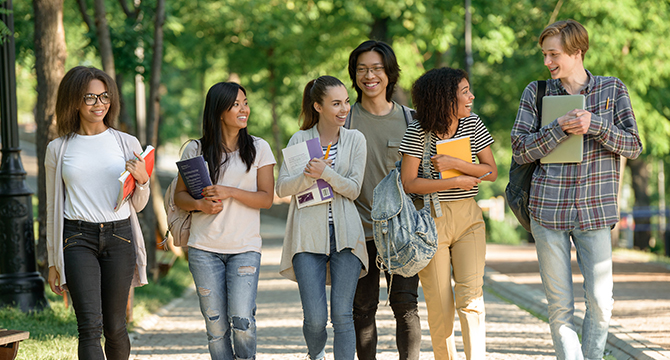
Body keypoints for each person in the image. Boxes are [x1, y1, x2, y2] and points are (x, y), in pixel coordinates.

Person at [510, 19, 642, 360]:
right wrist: (558, 129)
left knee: (600, 303)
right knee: (559, 307)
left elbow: (634, 146)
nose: (547, 62)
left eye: (553, 54)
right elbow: (520, 149)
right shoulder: (535, 92)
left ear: (577, 52)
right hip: (547, 211)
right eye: (544, 54)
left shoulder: (612, 90)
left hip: (596, 212)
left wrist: (595, 125)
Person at [46, 66, 150, 359]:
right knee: (89, 327)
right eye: (90, 97)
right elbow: (52, 207)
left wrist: (142, 179)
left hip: (120, 237)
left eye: (104, 96)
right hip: (77, 237)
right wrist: (54, 260)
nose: (99, 104)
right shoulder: (58, 149)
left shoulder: (126, 144)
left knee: (116, 326)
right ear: (75, 101)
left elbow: (138, 204)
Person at [399, 67, 497, 360]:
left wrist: (457, 163)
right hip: (431, 220)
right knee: (440, 304)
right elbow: (408, 182)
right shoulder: (418, 131)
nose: (471, 96)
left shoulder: (473, 124)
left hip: (469, 218)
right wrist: (452, 181)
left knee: (471, 298)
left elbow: (490, 171)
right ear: (444, 98)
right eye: (464, 91)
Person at [174, 82, 276, 359]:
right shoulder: (195, 150)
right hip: (204, 249)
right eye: (236, 105)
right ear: (219, 111)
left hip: (244, 248)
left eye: (245, 102)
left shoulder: (259, 148)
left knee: (242, 321)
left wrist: (230, 192)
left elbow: (266, 198)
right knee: (216, 327)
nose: (244, 109)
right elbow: (178, 197)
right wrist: (199, 205)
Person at [276, 75, 368, 360]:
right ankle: (315, 354)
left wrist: (326, 173)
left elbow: (353, 189)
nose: (344, 109)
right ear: (318, 106)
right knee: (315, 319)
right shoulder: (299, 139)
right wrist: (306, 176)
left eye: (346, 102)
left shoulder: (355, 140)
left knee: (342, 315)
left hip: (346, 236)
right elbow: (281, 188)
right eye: (336, 103)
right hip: (307, 236)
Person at [345, 39, 423, 360]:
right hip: (358, 232)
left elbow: (425, 173)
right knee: (362, 310)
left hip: (401, 233)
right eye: (361, 69)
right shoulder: (344, 119)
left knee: (405, 306)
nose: (369, 76)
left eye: (376, 68)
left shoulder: (411, 120)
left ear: (389, 73)